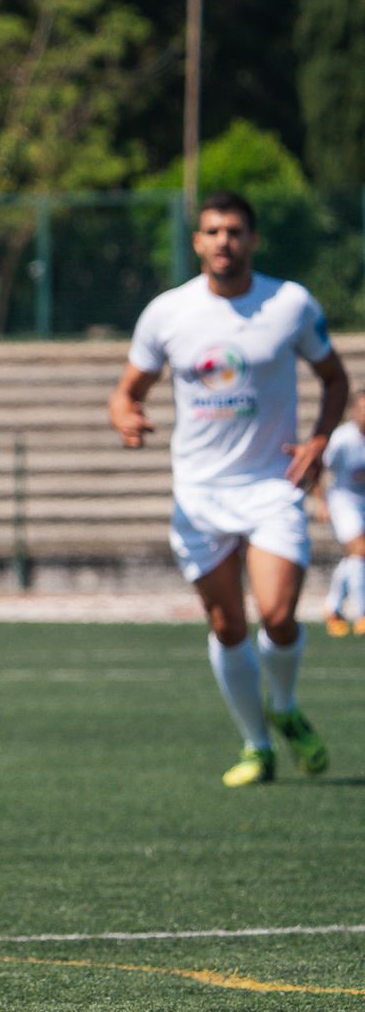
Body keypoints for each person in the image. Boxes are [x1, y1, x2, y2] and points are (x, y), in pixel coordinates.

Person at [109, 190, 350, 787]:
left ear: (253, 240)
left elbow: (335, 379)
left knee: (278, 616)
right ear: (197, 242)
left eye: (235, 231)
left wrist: (319, 441)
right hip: (200, 493)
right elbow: (128, 391)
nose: (225, 241)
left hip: (272, 485)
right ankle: (256, 746)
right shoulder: (168, 313)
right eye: (214, 231)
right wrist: (125, 416)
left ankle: (284, 706)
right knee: (227, 626)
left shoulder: (290, 304)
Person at [314, 390, 365, 635]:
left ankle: (332, 607)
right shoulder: (342, 439)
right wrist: (321, 501)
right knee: (360, 550)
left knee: (355, 557)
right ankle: (362, 613)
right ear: (355, 411)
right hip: (343, 500)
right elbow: (318, 468)